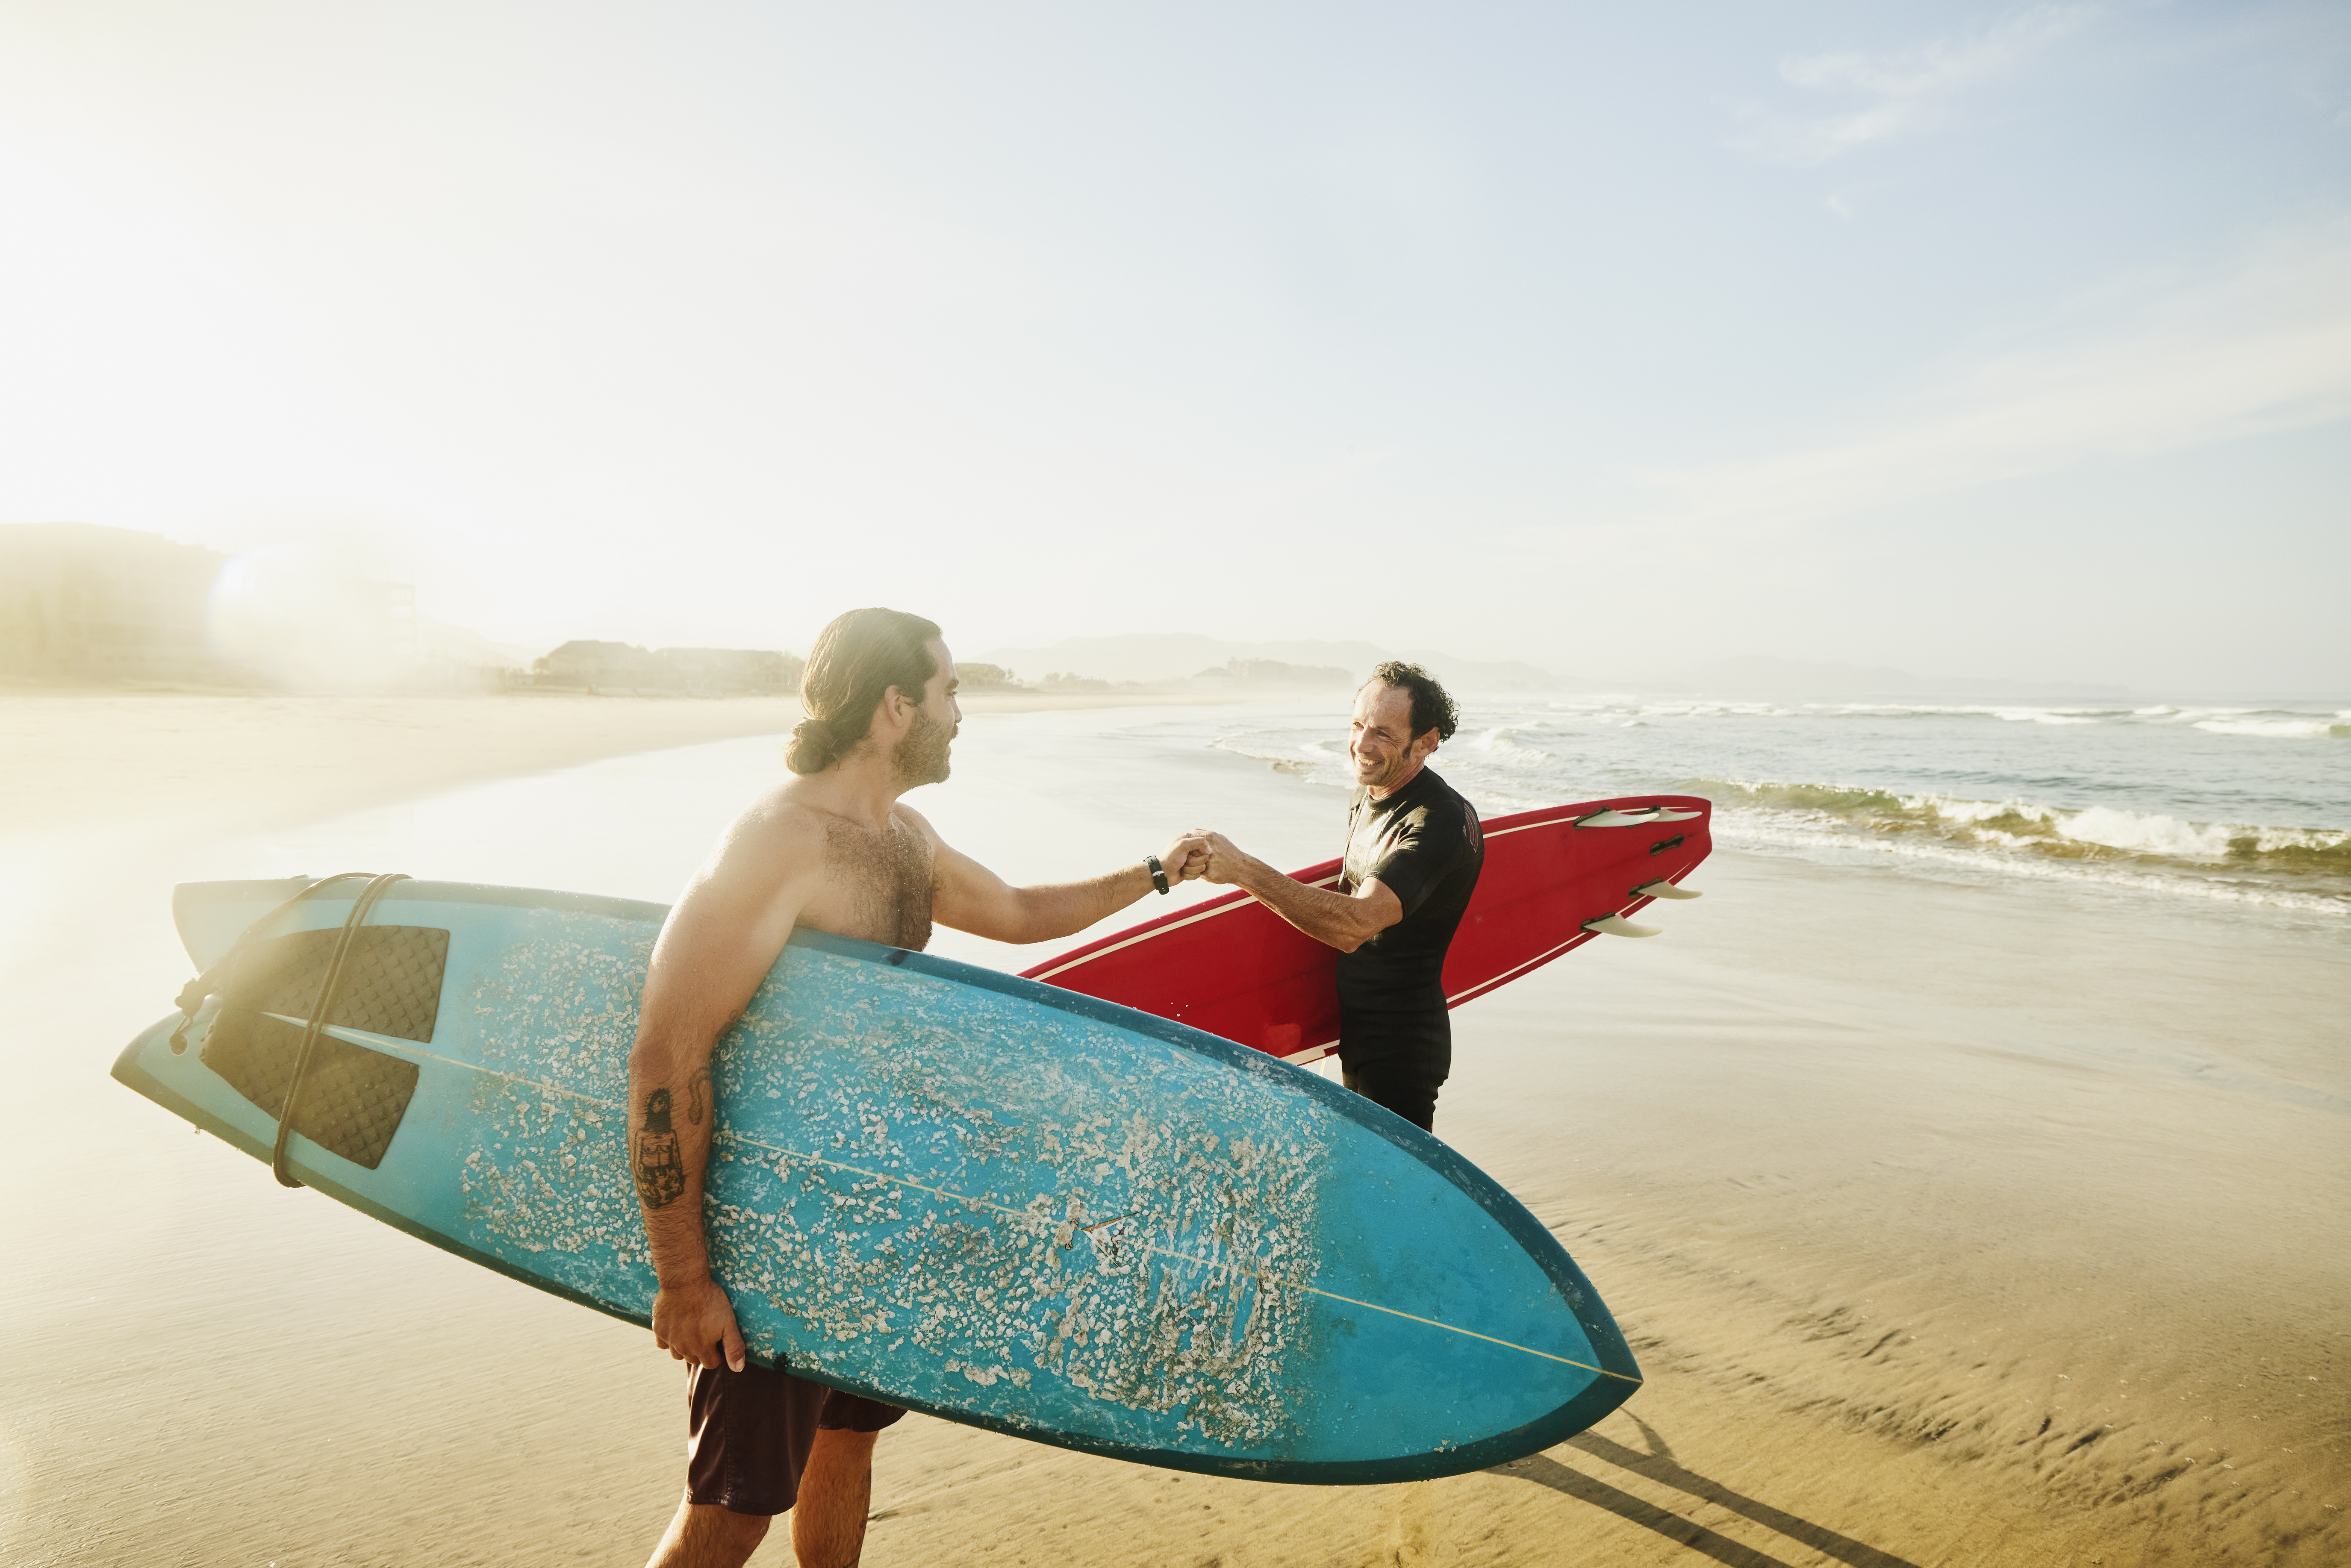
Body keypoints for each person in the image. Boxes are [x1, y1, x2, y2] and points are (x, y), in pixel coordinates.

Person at [628, 606, 1206, 1568]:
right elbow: (666, 1051)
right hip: (775, 1232)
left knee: (846, 1446)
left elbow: (1019, 911)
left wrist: (1154, 872)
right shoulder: (778, 840)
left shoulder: (904, 838)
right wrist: (683, 1278)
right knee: (733, 1507)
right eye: (948, 691)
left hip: (868, 1222)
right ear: (895, 705)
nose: (958, 712)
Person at [1194, 661, 1481, 1133]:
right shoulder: (1368, 794)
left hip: (1400, 1046)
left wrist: (1242, 869)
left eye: (1384, 735)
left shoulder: (1437, 822)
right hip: (1353, 1021)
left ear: (1427, 742)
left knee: (1390, 1188)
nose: (1362, 745)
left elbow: (1356, 923)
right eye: (1357, 726)